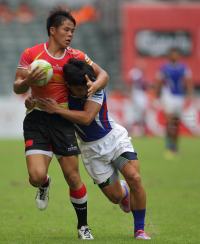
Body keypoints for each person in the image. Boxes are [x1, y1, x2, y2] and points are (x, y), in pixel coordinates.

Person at [26, 58, 151, 240]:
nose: (85, 91)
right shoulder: (63, 97)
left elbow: (86, 118)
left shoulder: (95, 87)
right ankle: (123, 191)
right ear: (68, 85)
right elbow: (41, 105)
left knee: (135, 178)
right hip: (92, 152)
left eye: (87, 86)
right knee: (115, 197)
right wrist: (31, 104)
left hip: (114, 140)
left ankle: (139, 229)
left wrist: (58, 110)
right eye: (80, 89)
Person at [13, 5, 109, 240]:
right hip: (36, 119)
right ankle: (45, 184)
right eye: (66, 30)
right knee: (35, 176)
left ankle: (83, 226)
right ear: (52, 30)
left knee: (73, 177)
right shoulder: (31, 54)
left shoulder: (75, 56)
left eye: (73, 31)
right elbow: (17, 86)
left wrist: (95, 85)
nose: (70, 35)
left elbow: (104, 74)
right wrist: (28, 81)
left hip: (62, 120)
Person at [155, 47, 193, 159]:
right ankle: (169, 147)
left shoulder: (184, 67)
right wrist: (157, 95)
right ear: (169, 55)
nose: (174, 56)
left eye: (176, 54)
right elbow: (159, 82)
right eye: (172, 54)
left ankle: (175, 147)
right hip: (168, 97)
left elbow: (188, 81)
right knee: (170, 121)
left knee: (176, 123)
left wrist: (190, 95)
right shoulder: (164, 67)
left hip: (179, 97)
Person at [127, 59, 150, 136]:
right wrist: (131, 94)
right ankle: (133, 128)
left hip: (142, 93)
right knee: (137, 112)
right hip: (136, 93)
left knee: (142, 112)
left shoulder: (142, 74)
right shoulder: (134, 72)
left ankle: (141, 129)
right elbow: (130, 84)